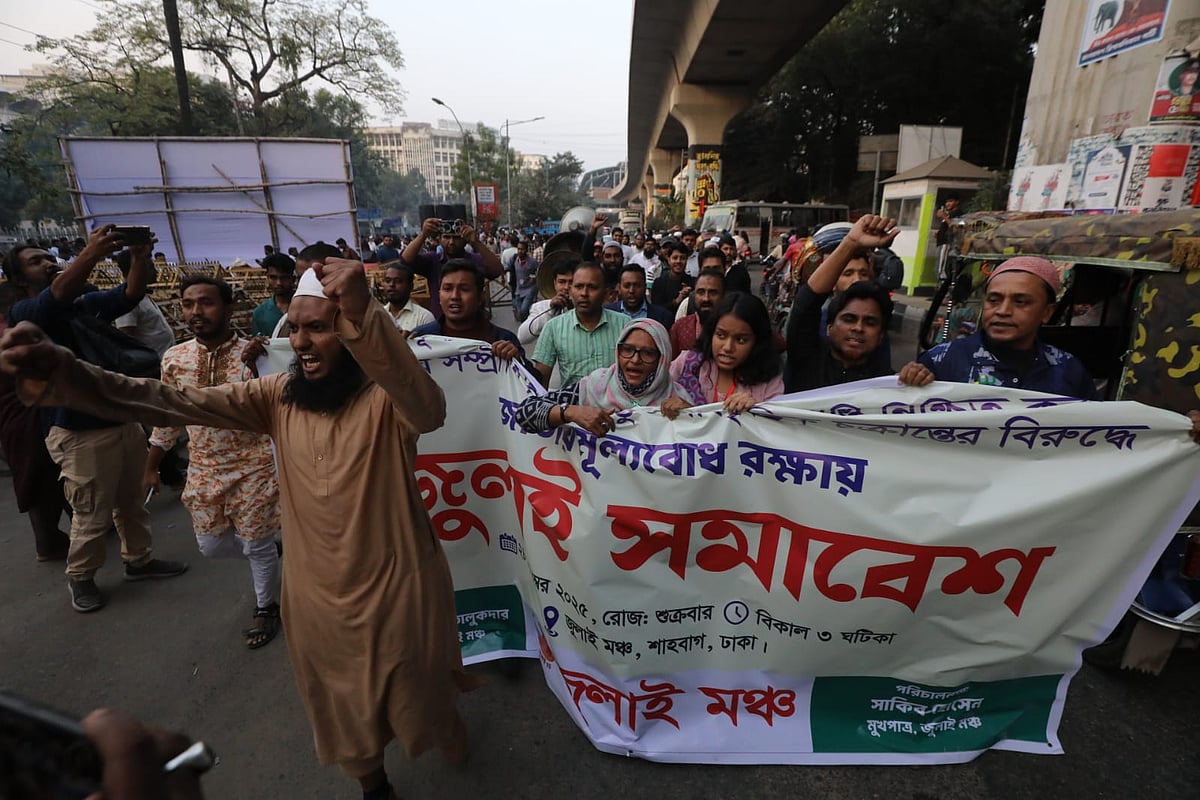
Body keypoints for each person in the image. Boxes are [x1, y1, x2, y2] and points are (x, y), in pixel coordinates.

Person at [2, 258, 483, 799]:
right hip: (315, 596)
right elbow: (170, 400)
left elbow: (429, 408)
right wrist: (70, 375)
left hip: (400, 585)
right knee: (338, 704)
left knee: (420, 688)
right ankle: (374, 787)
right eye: (294, 328)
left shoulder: (387, 401)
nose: (301, 342)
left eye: (318, 328)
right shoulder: (275, 396)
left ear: (351, 333)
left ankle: (446, 730)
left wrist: (364, 310)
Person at [8, 225, 188, 612]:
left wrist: (138, 256)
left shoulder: (83, 305)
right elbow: (56, 297)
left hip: (120, 418)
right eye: (36, 262)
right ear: (20, 280)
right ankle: (81, 575)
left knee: (131, 501)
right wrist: (91, 253)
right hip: (78, 431)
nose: (47, 263)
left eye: (48, 257)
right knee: (92, 511)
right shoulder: (27, 314)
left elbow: (129, 294)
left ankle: (139, 560)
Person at [143, 276, 283, 649]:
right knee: (211, 545)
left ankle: (267, 606)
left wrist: (261, 362)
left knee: (255, 544)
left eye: (206, 303)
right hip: (203, 466)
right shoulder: (174, 358)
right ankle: (267, 553)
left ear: (229, 307)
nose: (196, 312)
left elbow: (280, 403)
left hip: (255, 465)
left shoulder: (257, 353)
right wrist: (152, 464)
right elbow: (167, 417)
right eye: (188, 304)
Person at [899, 256, 1098, 398]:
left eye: (1020, 302)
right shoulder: (941, 361)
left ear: (1046, 312)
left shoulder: (1067, 369)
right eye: (994, 300)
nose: (1003, 311)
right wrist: (910, 381)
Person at [0, 267, 70, 562]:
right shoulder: (13, 333)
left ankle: (71, 531)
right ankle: (49, 543)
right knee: (41, 478)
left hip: (27, 415)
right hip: (26, 416)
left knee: (55, 474)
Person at [785, 215, 900, 392]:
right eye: (849, 319)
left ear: (881, 336)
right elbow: (806, 303)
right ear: (829, 328)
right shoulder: (807, 358)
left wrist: (913, 380)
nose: (858, 328)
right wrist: (851, 243)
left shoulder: (886, 383)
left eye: (870, 322)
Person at [515, 318, 688, 435]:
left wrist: (689, 414)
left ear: (662, 359)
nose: (635, 360)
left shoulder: (677, 397)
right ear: (618, 352)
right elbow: (525, 413)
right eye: (627, 350)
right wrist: (571, 412)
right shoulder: (596, 386)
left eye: (648, 353)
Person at [667, 291, 784, 416]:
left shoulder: (768, 382)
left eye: (741, 340)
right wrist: (684, 412)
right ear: (711, 333)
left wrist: (757, 411)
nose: (728, 347)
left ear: (757, 342)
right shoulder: (686, 365)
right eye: (721, 335)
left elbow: (775, 425)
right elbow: (657, 401)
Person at [411, 259, 535, 374]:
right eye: (447, 289)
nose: (454, 296)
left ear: (481, 297)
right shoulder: (421, 338)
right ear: (439, 295)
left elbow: (533, 382)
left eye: (464, 289)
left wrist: (517, 361)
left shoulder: (503, 340)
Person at [532, 262, 629, 388]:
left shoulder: (625, 324)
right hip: (573, 400)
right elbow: (540, 382)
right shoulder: (553, 328)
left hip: (617, 400)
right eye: (578, 287)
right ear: (571, 290)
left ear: (605, 293)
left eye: (592, 287)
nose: (584, 293)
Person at [400, 217, 504, 319]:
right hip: (441, 322)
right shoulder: (433, 260)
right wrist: (423, 235)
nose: (451, 242)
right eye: (446, 237)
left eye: (456, 238)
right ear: (439, 240)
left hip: (472, 322)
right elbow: (405, 261)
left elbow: (496, 270)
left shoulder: (475, 260)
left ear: (465, 240)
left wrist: (476, 242)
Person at [114, 249, 176, 358]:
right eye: (151, 267)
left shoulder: (143, 296)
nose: (156, 272)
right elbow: (127, 338)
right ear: (136, 269)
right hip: (152, 363)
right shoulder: (127, 301)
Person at [669, 267, 726, 358]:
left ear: (724, 295)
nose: (706, 298)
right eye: (701, 292)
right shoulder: (679, 327)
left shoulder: (733, 328)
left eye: (713, 293)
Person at [518, 259, 576, 345]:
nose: (566, 287)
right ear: (555, 283)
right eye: (562, 282)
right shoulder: (541, 307)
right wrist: (550, 311)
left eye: (571, 282)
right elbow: (522, 337)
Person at [605, 265, 673, 327]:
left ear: (645, 287)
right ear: (619, 288)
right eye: (626, 286)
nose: (631, 291)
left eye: (637, 286)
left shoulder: (663, 317)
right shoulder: (606, 314)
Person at [379, 262, 435, 332]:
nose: (391, 284)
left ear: (411, 286)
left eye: (398, 281)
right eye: (388, 281)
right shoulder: (378, 315)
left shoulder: (424, 317)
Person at [251, 252, 297, 337]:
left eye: (284, 278)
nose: (279, 283)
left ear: (293, 279)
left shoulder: (304, 306)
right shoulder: (260, 313)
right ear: (267, 278)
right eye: (273, 277)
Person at [651, 239, 695, 314]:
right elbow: (656, 309)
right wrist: (676, 301)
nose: (678, 261)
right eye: (675, 258)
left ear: (687, 260)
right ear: (669, 259)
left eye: (682, 258)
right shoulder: (659, 283)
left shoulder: (693, 282)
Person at [509, 240, 540, 323]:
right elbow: (508, 269)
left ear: (526, 250)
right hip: (518, 290)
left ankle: (527, 325)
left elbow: (540, 271)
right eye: (518, 249)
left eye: (522, 249)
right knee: (520, 312)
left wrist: (535, 277)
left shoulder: (532, 261)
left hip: (529, 289)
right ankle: (525, 325)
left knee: (524, 309)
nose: (520, 251)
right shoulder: (514, 259)